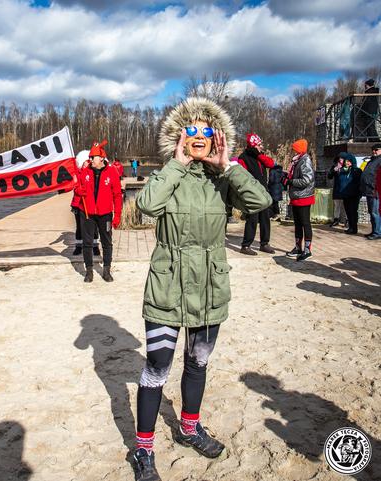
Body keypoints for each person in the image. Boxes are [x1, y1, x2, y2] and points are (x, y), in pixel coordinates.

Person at [133, 98, 271, 480]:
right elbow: (146, 205)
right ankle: (143, 450)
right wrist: (176, 164)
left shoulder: (223, 178)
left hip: (210, 287)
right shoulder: (169, 174)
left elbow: (262, 201)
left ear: (217, 137)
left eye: (205, 130)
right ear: (180, 136)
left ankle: (189, 428)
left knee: (198, 362)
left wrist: (227, 167)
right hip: (167, 286)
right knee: (158, 365)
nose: (198, 136)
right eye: (190, 130)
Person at [73, 139, 122, 282]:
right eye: (90, 157)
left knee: (107, 243)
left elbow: (117, 195)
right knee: (87, 243)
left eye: (93, 157)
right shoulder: (85, 170)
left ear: (101, 158)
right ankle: (89, 271)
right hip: (87, 213)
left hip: (105, 214)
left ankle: (106, 270)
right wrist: (78, 191)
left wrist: (117, 215)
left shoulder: (112, 172)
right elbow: (76, 186)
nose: (91, 160)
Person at [237, 133, 277, 255]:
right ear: (254, 146)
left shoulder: (260, 156)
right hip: (252, 193)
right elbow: (241, 175)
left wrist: (258, 155)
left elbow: (271, 164)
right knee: (252, 219)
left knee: (265, 219)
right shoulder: (243, 157)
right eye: (259, 145)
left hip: (263, 192)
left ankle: (264, 244)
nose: (261, 147)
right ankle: (245, 245)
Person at [283, 139, 316, 261]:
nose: (293, 151)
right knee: (297, 224)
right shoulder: (297, 160)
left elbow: (307, 179)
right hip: (297, 196)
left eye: (295, 149)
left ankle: (307, 250)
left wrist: (291, 181)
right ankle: (298, 248)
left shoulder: (305, 160)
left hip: (304, 196)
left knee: (305, 223)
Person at [71, 150, 100, 256]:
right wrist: (77, 186)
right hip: (78, 204)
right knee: (79, 226)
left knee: (94, 225)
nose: (87, 163)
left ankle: (95, 246)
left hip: (91, 203)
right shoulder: (77, 174)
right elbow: (74, 187)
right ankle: (79, 246)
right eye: (85, 162)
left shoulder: (93, 173)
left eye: (88, 162)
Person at [330, 153, 362, 234]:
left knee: (353, 212)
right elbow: (336, 179)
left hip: (354, 195)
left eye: (349, 161)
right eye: (346, 161)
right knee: (348, 210)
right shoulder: (343, 170)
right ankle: (350, 227)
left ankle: (354, 228)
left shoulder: (356, 171)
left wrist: (359, 193)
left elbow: (359, 183)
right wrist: (336, 170)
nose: (347, 163)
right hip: (345, 194)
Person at [360, 143, 381, 239]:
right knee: (371, 212)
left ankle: (378, 233)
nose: (374, 151)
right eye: (373, 149)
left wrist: (374, 186)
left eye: (376, 149)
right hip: (369, 190)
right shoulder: (372, 161)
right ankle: (374, 231)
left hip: (375, 191)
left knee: (375, 212)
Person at [327, 155, 348, 228]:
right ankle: (336, 219)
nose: (340, 161)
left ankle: (347, 220)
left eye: (342, 160)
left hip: (345, 189)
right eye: (339, 160)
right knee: (337, 205)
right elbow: (329, 176)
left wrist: (342, 169)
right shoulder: (334, 167)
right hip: (337, 189)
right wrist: (334, 170)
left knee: (346, 206)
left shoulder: (347, 167)